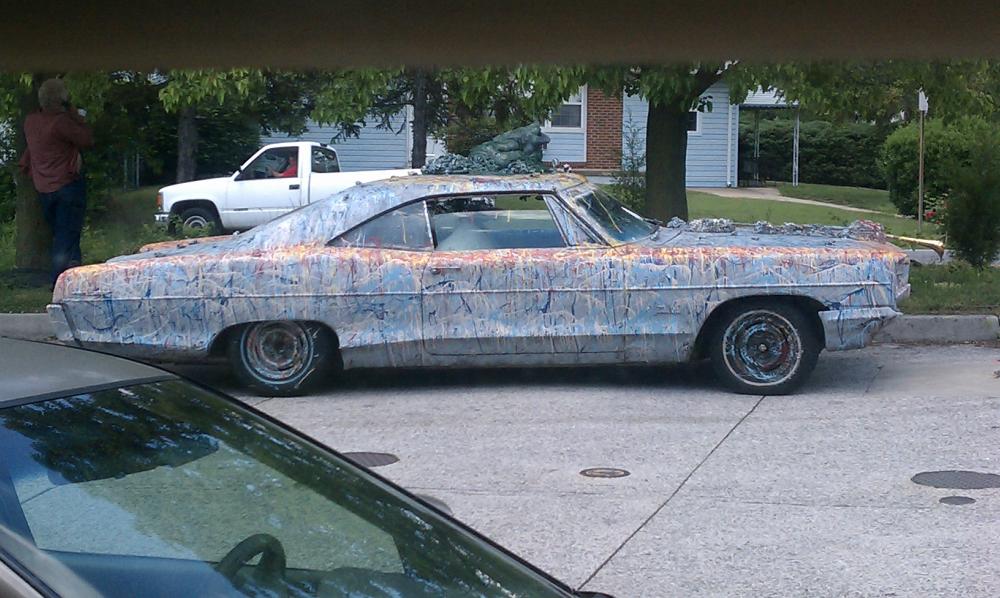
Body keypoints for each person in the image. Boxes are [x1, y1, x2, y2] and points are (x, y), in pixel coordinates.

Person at [19, 78, 94, 285]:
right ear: (61, 99)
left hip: (43, 187)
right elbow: (86, 139)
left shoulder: (30, 121)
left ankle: (75, 277)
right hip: (67, 184)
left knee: (64, 234)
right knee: (66, 236)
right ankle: (58, 281)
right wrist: (75, 114)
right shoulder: (61, 122)